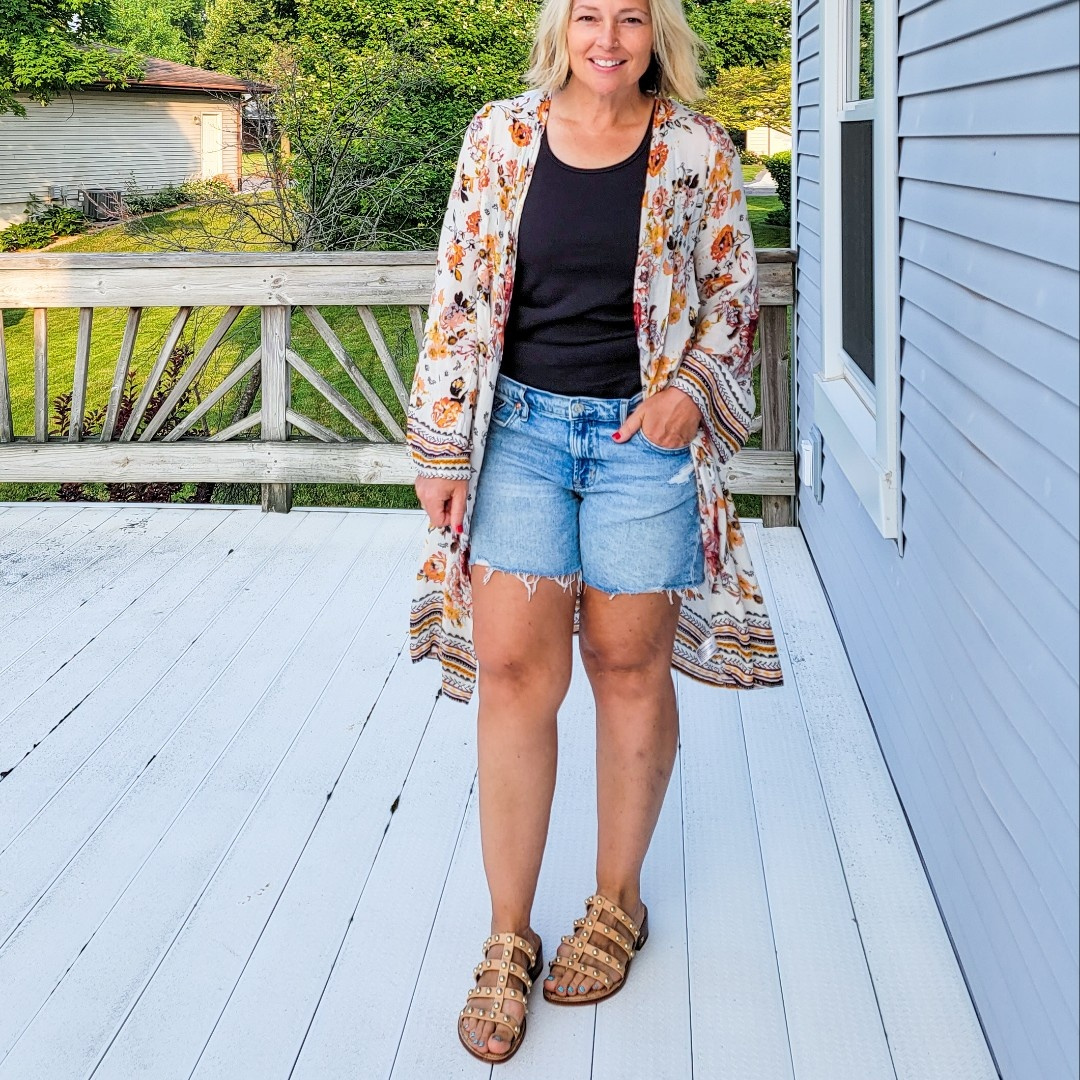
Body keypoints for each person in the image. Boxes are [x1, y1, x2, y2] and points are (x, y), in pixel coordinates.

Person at [406, 0, 783, 1061]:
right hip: (516, 431)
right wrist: (441, 446)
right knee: (519, 675)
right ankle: (506, 935)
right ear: (559, 28)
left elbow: (733, 298)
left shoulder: (697, 148)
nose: (608, 37)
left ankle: (617, 899)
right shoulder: (500, 134)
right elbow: (458, 291)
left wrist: (691, 390)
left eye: (630, 17)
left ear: (655, 31)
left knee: (627, 666)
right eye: (588, 16)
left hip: (642, 445)